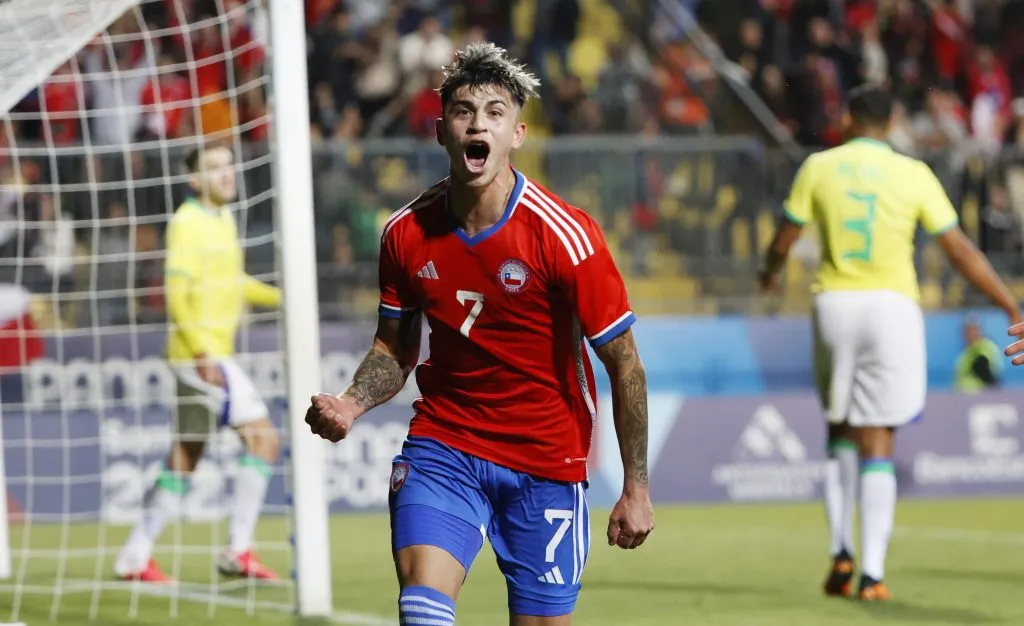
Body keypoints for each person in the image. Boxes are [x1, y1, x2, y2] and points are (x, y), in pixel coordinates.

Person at [304, 42, 654, 626]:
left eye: (495, 112)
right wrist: (352, 401)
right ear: (442, 130)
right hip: (447, 445)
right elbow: (394, 348)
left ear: (517, 133)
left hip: (546, 458)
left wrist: (636, 487)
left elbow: (625, 364)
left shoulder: (565, 235)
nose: (478, 123)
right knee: (422, 609)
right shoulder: (405, 234)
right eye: (465, 111)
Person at [759, 85, 1021, 602]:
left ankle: (839, 551)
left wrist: (768, 273)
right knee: (879, 435)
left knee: (839, 426)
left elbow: (786, 236)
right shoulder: (914, 173)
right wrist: (1009, 304)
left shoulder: (819, 166)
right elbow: (957, 248)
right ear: (893, 120)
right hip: (893, 308)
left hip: (835, 303)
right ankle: (873, 574)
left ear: (849, 118)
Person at [114, 145, 282, 583]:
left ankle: (134, 556)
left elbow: (233, 281)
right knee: (264, 440)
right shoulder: (187, 223)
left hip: (199, 354)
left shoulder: (222, 218)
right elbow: (175, 294)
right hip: (200, 353)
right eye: (214, 168)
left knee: (186, 456)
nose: (227, 173)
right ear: (195, 180)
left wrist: (284, 297)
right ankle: (238, 550)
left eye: (229, 164)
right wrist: (202, 351)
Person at [954, 317, 1003, 393]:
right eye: (967, 330)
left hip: (983, 397)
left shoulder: (987, 346)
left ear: (979, 331)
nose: (970, 334)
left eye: (973, 329)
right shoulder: (963, 354)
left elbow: (989, 372)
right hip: (962, 399)